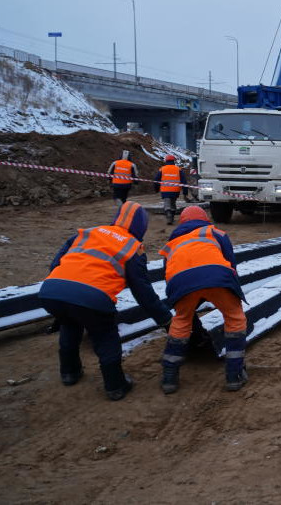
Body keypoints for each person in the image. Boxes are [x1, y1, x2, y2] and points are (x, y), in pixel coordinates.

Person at [39, 201, 172, 401]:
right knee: (105, 335)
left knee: (70, 323)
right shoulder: (132, 247)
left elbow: (55, 263)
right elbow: (143, 292)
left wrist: (64, 292)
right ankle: (115, 385)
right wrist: (165, 320)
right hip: (93, 298)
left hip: (52, 290)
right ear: (140, 227)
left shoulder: (87, 233)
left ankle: (69, 373)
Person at [159, 205, 248, 393]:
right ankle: (234, 375)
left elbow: (168, 273)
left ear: (182, 222)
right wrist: (235, 293)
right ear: (204, 219)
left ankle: (169, 377)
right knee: (234, 317)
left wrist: (182, 300)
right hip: (217, 277)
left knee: (181, 321)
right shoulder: (216, 233)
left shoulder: (173, 241)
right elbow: (231, 265)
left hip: (181, 283)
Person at [153, 155, 187, 225]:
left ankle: (168, 214)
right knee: (173, 203)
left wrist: (156, 189)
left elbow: (156, 180)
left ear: (166, 161)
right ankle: (172, 216)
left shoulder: (162, 169)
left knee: (167, 203)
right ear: (173, 161)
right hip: (175, 190)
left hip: (165, 190)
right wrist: (185, 192)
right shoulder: (178, 169)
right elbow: (184, 181)